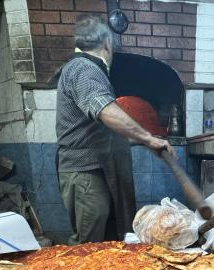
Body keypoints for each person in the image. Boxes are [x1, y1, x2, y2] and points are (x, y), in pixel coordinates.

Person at [55, 15, 175, 244]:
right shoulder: (84, 69)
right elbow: (106, 111)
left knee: (107, 241)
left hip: (94, 171)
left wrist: (140, 140)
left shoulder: (82, 69)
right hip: (87, 174)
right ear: (107, 43)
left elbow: (98, 131)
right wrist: (149, 138)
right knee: (89, 246)